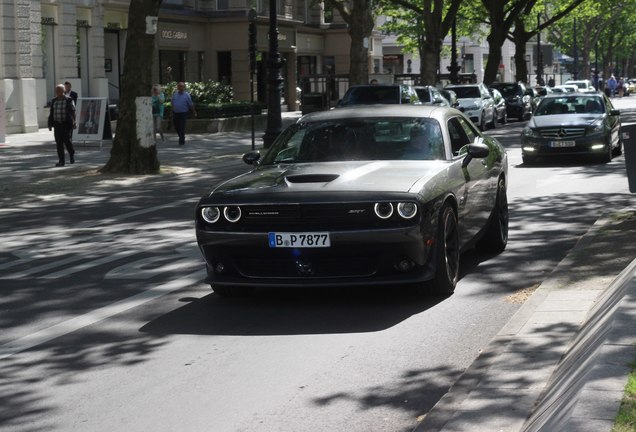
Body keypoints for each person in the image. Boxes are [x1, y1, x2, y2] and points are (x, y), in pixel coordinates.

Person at [48, 84, 76, 167]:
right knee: (59, 143)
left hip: (66, 124)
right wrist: (50, 124)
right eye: (56, 91)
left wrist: (74, 122)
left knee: (67, 141)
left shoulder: (69, 100)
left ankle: (71, 153)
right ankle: (61, 161)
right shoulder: (54, 100)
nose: (57, 92)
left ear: (63, 91)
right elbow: (51, 113)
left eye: (59, 90)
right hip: (57, 124)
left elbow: (73, 112)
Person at [171, 82, 196, 146]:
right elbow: (172, 104)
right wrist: (171, 112)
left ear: (184, 87)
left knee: (181, 126)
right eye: (179, 86)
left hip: (183, 113)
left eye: (181, 86)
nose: (180, 88)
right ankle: (181, 136)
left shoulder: (187, 95)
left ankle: (181, 140)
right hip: (175, 113)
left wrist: (194, 112)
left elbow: (190, 104)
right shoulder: (175, 94)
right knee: (176, 126)